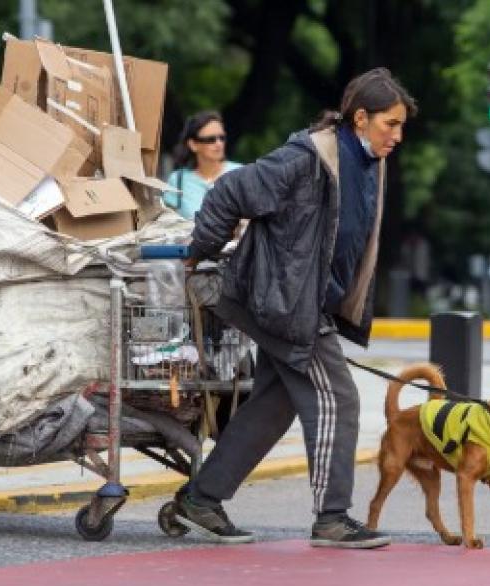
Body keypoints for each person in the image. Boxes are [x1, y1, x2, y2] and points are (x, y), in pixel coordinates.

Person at [177, 68, 417, 549]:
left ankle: (200, 501)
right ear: (360, 118)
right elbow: (229, 191)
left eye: (401, 125)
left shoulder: (370, 162)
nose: (397, 135)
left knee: (274, 402)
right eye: (390, 124)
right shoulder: (305, 159)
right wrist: (202, 249)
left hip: (301, 303)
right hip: (282, 304)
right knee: (338, 398)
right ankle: (332, 517)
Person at [163, 111, 242, 220]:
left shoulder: (240, 173)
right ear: (193, 145)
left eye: (222, 138)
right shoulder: (177, 180)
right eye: (211, 139)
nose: (218, 143)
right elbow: (168, 223)